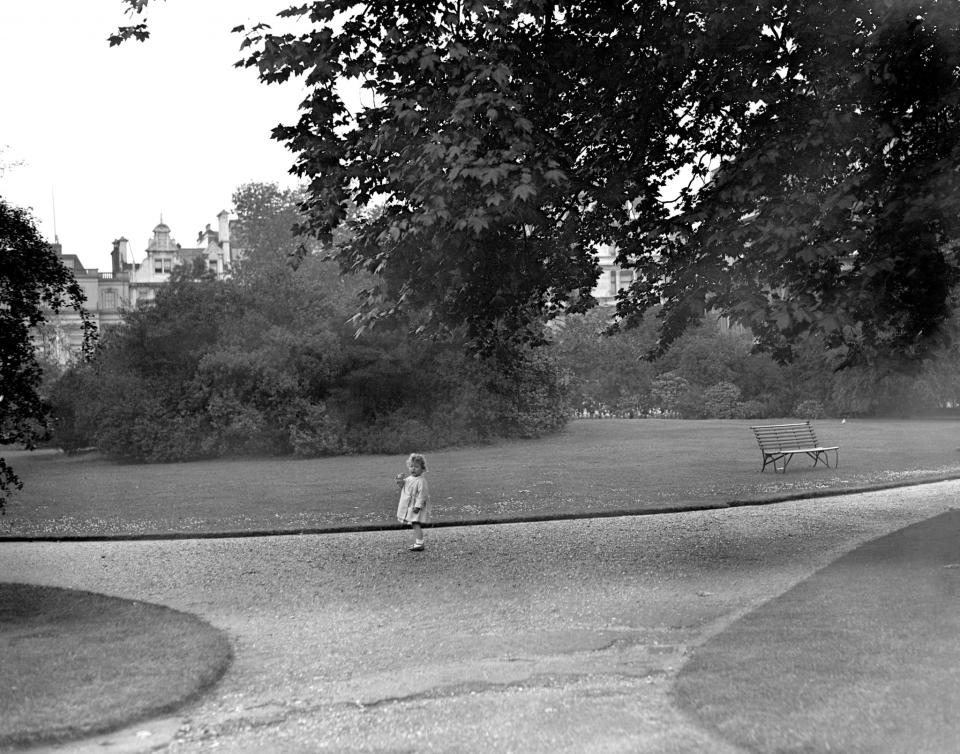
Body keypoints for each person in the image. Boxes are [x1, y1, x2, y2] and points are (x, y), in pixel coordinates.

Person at [396, 453, 429, 551]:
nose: (413, 469)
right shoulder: (409, 479)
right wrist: (399, 479)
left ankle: (420, 543)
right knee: (413, 524)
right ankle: (417, 542)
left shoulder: (421, 481)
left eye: (416, 467)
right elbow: (403, 486)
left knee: (415, 523)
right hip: (409, 506)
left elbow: (422, 495)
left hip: (415, 508)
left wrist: (417, 506)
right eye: (411, 466)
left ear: (422, 468)